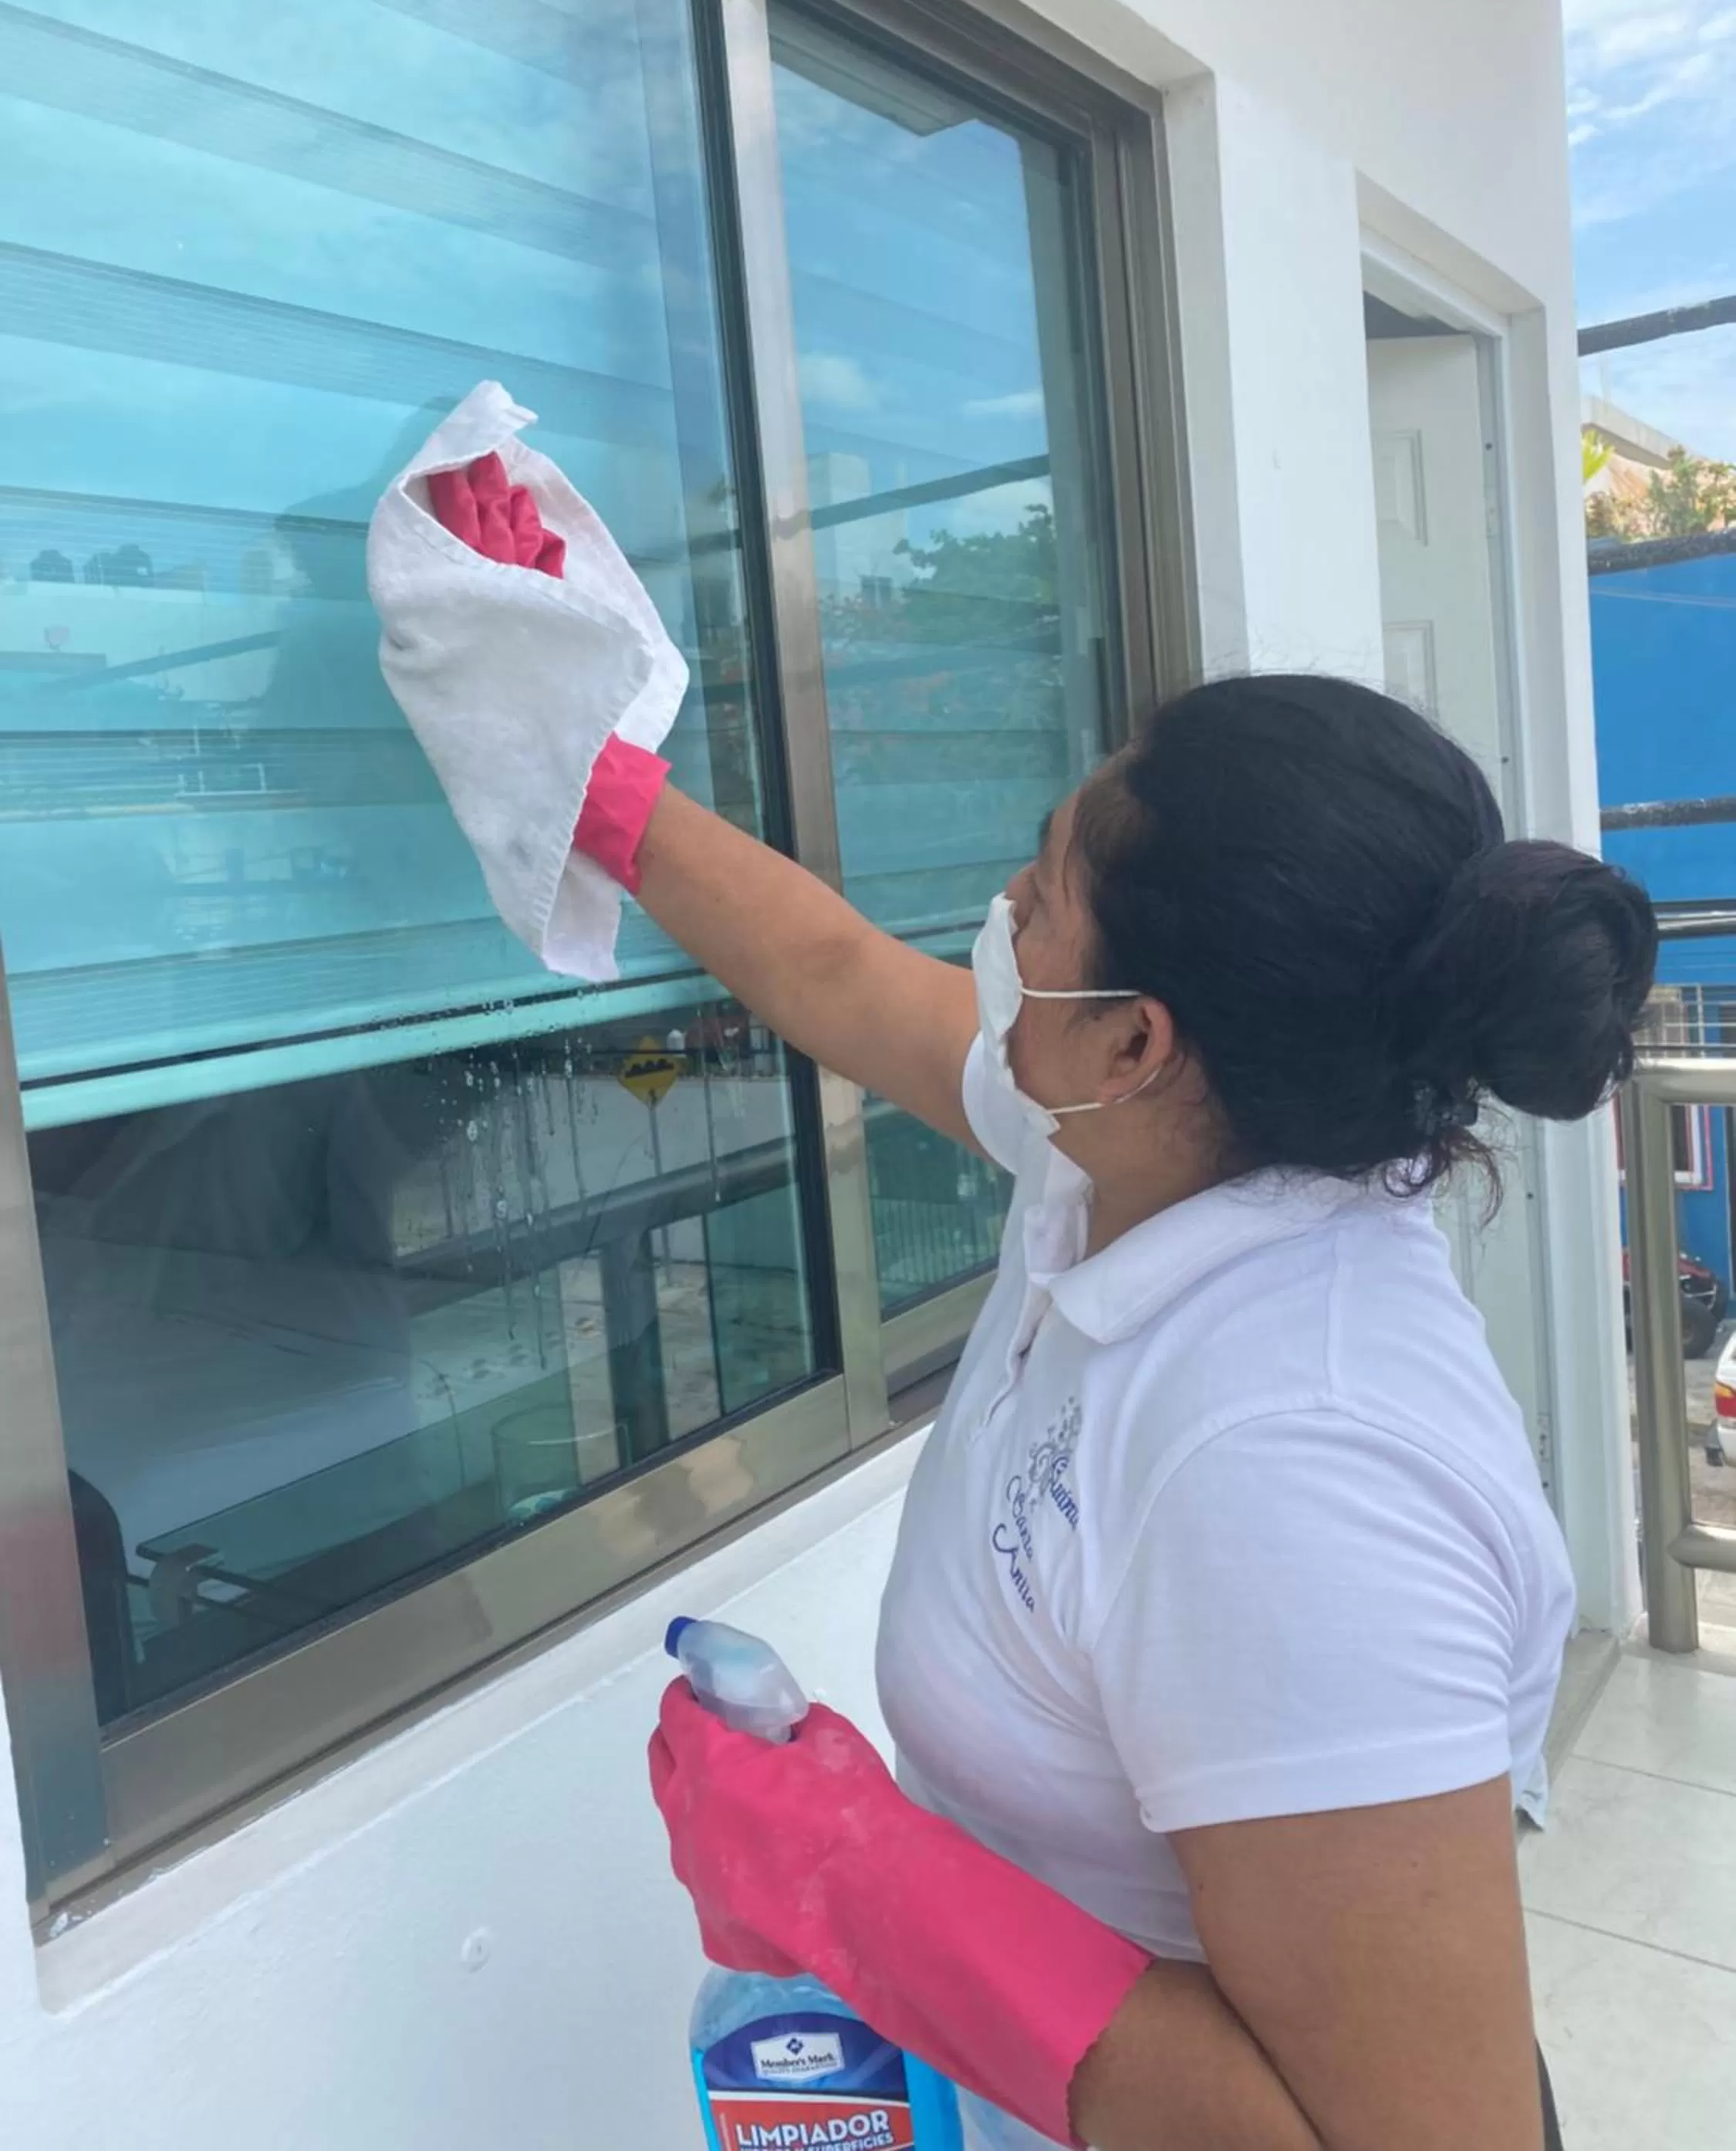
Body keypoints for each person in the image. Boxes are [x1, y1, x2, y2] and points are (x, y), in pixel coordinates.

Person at [420, 468, 1640, 2145]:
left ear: (1140, 1039)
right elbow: (845, 980)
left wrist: (863, 1880)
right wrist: (580, 767)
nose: (1003, 904)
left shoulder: (1294, 1464)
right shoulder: (1129, 1153)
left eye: (1046, 886)